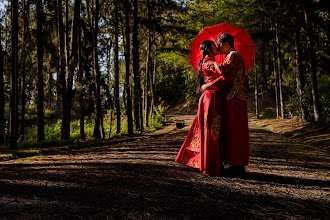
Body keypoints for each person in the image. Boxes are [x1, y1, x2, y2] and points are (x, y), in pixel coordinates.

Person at [201, 33, 249, 176]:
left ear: (226, 44)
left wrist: (206, 86)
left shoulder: (233, 56)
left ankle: (237, 165)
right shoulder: (231, 56)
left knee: (235, 131)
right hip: (232, 98)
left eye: (219, 45)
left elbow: (225, 77)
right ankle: (234, 163)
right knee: (231, 131)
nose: (218, 48)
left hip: (235, 99)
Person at [175, 40, 225, 176]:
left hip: (208, 98)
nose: (217, 47)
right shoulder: (210, 63)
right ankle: (211, 166)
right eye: (214, 46)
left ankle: (209, 164)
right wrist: (220, 65)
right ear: (209, 49)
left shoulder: (205, 62)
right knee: (212, 131)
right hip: (212, 98)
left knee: (208, 130)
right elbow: (223, 76)